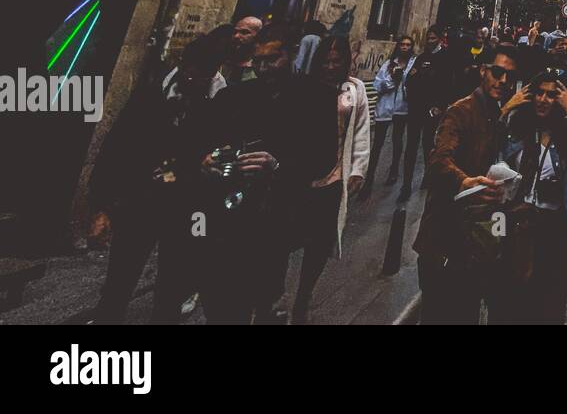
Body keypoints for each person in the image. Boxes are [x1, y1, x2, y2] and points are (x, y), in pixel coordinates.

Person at [198, 23, 338, 324]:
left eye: (272, 60)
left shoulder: (318, 98)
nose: (264, 68)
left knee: (264, 291)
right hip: (230, 212)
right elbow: (207, 139)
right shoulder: (236, 96)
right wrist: (208, 159)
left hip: (278, 214)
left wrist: (279, 166)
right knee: (221, 295)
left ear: (292, 54)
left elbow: (324, 158)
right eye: (258, 60)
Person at [87, 31, 225, 323]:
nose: (197, 83)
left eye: (204, 78)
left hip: (184, 206)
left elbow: (211, 156)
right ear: (183, 66)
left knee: (172, 287)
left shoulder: (218, 99)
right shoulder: (153, 91)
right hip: (140, 201)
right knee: (119, 280)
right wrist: (102, 206)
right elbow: (117, 148)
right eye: (192, 76)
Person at [413, 44, 518, 324]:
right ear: (483, 71)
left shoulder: (496, 115)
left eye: (509, 75)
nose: (503, 81)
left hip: (474, 244)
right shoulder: (460, 111)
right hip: (445, 240)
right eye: (497, 72)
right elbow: (438, 160)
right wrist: (463, 181)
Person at [496, 70, 567, 323]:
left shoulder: (564, 135)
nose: (543, 99)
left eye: (551, 95)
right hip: (516, 221)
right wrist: (506, 108)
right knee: (511, 296)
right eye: (539, 93)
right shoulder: (517, 126)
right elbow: (488, 145)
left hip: (552, 223)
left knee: (549, 297)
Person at [292, 35, 370, 323]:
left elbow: (361, 130)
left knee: (319, 242)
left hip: (335, 177)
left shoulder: (354, 89)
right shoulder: (303, 88)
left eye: (336, 61)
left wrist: (358, 169)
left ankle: (303, 295)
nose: (329, 66)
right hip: (301, 177)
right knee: (289, 234)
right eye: (325, 60)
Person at [362, 35, 413, 196]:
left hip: (401, 108)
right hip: (385, 108)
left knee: (398, 141)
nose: (405, 47)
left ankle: (394, 170)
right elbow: (378, 85)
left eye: (408, 45)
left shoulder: (413, 65)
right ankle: (369, 179)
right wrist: (392, 79)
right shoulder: (388, 65)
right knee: (377, 144)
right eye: (402, 45)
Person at [399, 29, 443, 202]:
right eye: (428, 38)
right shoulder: (421, 58)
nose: (430, 41)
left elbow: (445, 84)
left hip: (431, 109)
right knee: (411, 146)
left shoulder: (444, 59)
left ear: (439, 39)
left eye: (433, 38)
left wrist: (440, 105)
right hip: (416, 108)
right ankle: (406, 185)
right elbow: (410, 80)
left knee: (428, 145)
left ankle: (428, 175)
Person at [220, 15, 262, 86]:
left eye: (244, 32)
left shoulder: (260, 69)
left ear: (258, 36)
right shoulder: (221, 62)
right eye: (235, 32)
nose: (236, 36)